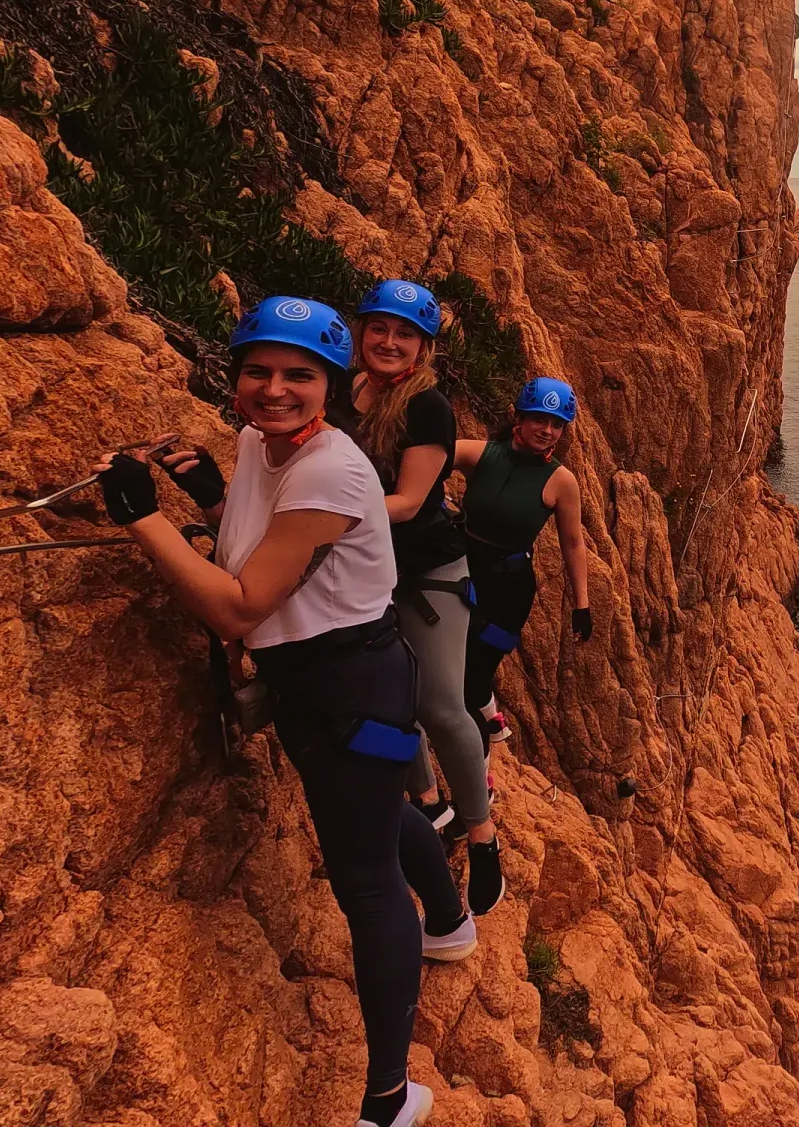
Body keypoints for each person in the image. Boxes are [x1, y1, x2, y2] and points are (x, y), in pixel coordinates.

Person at [95, 296, 472, 1127]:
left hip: (353, 684)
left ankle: (388, 1096)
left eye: (300, 376)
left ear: (331, 388)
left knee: (366, 884)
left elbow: (237, 606)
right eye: (257, 372)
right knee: (374, 811)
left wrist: (141, 518)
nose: (275, 390)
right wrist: (210, 500)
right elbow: (259, 550)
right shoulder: (259, 445)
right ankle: (451, 920)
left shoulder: (332, 467)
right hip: (317, 683)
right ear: (234, 381)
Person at [347, 280, 503, 914]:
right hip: (364, 568)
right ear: (361, 331)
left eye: (404, 333)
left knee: (440, 706)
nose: (388, 342)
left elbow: (410, 504)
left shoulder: (428, 408)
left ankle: (482, 832)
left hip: (427, 570)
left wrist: (316, 516)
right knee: (389, 707)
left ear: (424, 346)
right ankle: (428, 803)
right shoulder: (342, 392)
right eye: (379, 328)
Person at [453, 377, 593, 748]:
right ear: (519, 417)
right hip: (462, 576)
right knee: (454, 670)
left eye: (557, 425)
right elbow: (430, 454)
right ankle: (490, 715)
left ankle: (481, 775)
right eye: (539, 420)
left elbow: (573, 543)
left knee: (471, 676)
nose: (547, 431)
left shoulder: (561, 481)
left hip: (509, 592)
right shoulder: (482, 455)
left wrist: (582, 605)